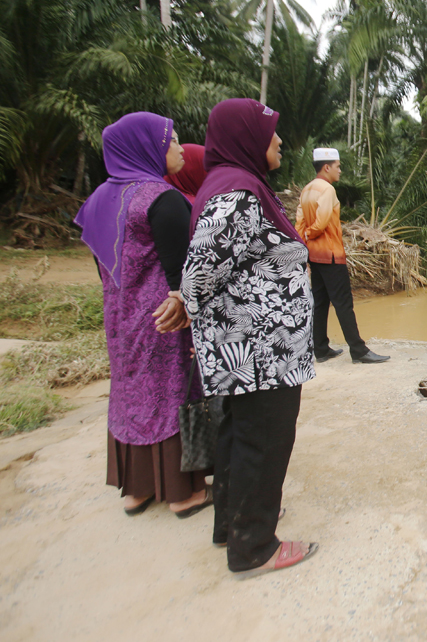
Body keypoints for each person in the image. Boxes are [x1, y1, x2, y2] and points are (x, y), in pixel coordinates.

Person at [181, 98, 318, 579]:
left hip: (254, 348)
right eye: (269, 132)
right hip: (262, 350)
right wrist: (186, 302)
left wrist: (190, 304)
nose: (278, 140)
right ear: (246, 139)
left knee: (241, 436)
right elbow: (200, 273)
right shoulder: (237, 194)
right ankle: (254, 547)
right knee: (265, 440)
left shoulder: (236, 187)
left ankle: (232, 524)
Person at [73, 112, 211, 519]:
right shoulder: (160, 197)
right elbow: (182, 270)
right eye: (170, 141)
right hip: (165, 318)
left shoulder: (99, 199)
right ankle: (183, 493)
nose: (178, 148)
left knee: (131, 393)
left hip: (120, 318)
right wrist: (183, 301)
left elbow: (103, 266)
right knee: (171, 391)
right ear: (145, 147)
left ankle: (137, 488)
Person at [296, 148, 388, 364]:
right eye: (338, 166)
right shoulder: (327, 190)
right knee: (343, 302)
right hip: (330, 255)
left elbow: (299, 222)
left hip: (314, 255)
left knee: (319, 302)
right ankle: (358, 350)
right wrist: (311, 233)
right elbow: (322, 222)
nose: (340, 170)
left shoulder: (307, 189)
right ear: (326, 167)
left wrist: (304, 241)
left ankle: (320, 348)